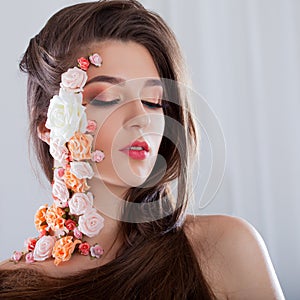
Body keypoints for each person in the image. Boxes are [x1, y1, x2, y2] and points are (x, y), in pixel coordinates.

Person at [0, 1, 285, 299]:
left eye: (153, 101)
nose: (141, 118)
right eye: (108, 98)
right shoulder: (9, 286)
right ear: (47, 125)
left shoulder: (226, 248)